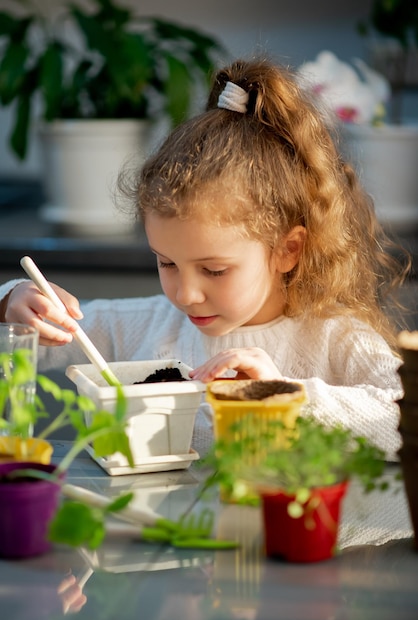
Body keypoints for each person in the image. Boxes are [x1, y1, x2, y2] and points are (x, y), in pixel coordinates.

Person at [0, 58, 410, 460]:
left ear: (288, 250)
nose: (186, 293)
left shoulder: (335, 340)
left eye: (214, 270)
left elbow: (404, 416)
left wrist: (283, 397)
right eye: (166, 263)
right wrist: (11, 305)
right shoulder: (144, 328)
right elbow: (23, 346)